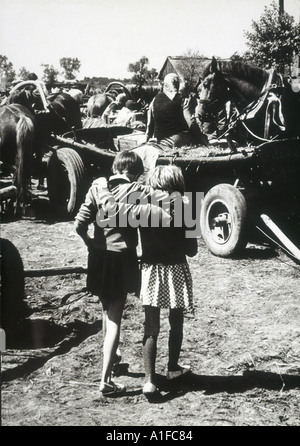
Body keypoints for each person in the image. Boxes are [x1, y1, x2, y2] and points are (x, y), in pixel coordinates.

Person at [74, 150, 170, 397]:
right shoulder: (138, 190)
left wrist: (90, 243)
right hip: (122, 258)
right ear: (136, 172)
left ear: (115, 168)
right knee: (115, 318)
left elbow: (79, 223)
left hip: (97, 257)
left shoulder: (98, 187)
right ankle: (105, 380)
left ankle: (113, 359)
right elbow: (172, 206)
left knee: (106, 312)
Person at [138, 165, 198, 396]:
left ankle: (149, 381)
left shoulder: (142, 204)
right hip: (176, 270)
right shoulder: (186, 206)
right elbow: (192, 250)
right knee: (176, 322)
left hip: (150, 270)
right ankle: (173, 368)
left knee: (151, 327)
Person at [145, 73, 208, 148]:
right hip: (178, 139)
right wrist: (202, 138)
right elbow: (191, 123)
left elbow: (149, 124)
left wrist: (147, 138)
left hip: (159, 139)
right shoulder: (183, 100)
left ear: (165, 85)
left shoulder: (154, 99)